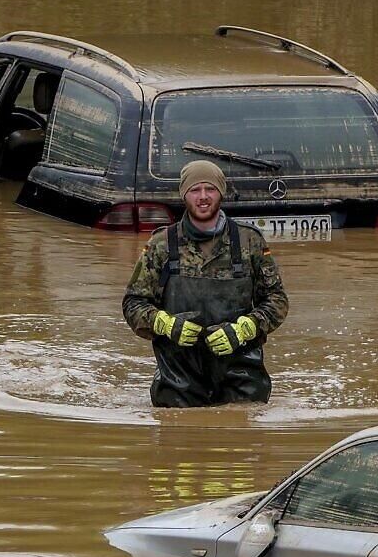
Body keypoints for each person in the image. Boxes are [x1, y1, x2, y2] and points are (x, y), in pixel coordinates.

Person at [121, 160, 289, 407]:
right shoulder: (161, 244)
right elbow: (133, 304)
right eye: (194, 190)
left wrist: (246, 329)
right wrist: (164, 324)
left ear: (220, 192)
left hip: (241, 380)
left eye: (209, 189)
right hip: (178, 382)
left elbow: (277, 300)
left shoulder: (249, 241)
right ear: (184, 195)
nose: (202, 197)